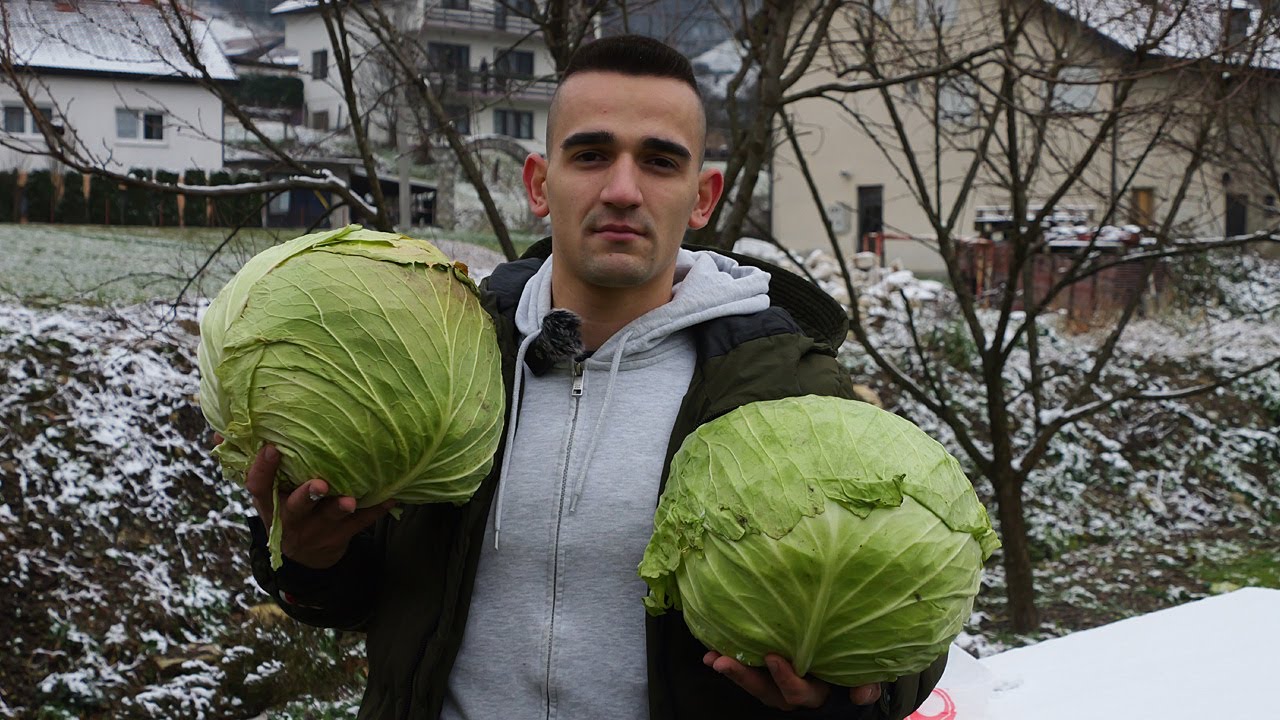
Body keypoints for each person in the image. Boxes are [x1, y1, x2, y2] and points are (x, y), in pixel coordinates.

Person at [243, 35, 946, 720]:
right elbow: (371, 595)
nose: (621, 189)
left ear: (703, 197)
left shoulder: (781, 385)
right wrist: (308, 561)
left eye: (660, 162)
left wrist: (845, 698)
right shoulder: (442, 364)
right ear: (538, 184)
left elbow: (905, 608)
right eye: (590, 154)